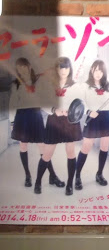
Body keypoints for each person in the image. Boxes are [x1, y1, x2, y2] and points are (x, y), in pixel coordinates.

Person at [75, 60, 109, 189]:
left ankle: (99, 174)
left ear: (104, 72)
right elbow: (80, 103)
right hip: (93, 117)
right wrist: (88, 111)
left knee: (104, 147)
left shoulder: (108, 86)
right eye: (96, 70)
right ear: (91, 70)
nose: (98, 73)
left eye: (101, 71)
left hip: (107, 117)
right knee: (86, 146)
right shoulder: (85, 86)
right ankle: (77, 176)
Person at [39, 57, 85, 196]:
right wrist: (55, 110)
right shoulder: (50, 85)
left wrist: (70, 112)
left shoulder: (76, 86)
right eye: (60, 67)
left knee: (70, 152)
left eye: (66, 67)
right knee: (47, 153)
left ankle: (69, 184)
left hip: (70, 121)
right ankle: (38, 183)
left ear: (70, 69)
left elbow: (80, 105)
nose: (63, 70)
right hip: (54, 119)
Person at [9, 58, 47, 189]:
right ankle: (27, 175)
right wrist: (12, 121)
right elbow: (13, 103)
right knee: (23, 145)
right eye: (19, 68)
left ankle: (52, 175)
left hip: (36, 115)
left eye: (24, 67)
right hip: (22, 116)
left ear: (29, 67)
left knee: (42, 146)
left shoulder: (38, 81)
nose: (22, 70)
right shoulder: (16, 84)